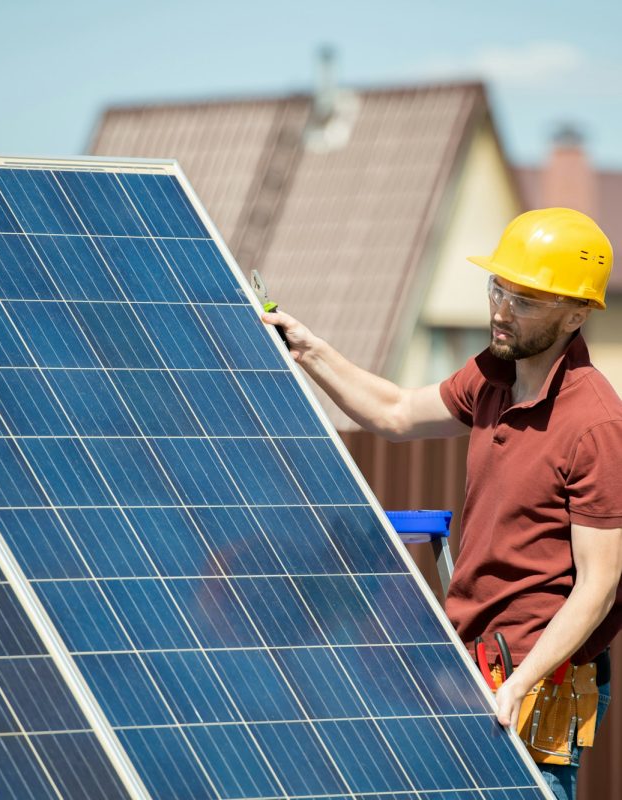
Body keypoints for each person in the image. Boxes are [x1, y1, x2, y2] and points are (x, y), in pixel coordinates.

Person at [262, 208, 622, 800]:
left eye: (527, 299)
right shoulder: (493, 375)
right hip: (471, 668)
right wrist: (310, 350)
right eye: (498, 287)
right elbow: (398, 412)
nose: (502, 310)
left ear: (577, 314)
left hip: (538, 684)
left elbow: (598, 586)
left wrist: (520, 686)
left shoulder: (595, 425)